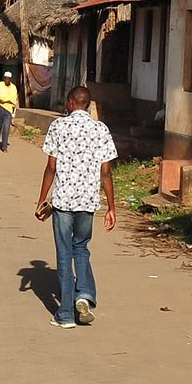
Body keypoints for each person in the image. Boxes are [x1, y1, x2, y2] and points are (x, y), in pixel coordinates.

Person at [36, 85, 117, 327]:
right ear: (88, 105)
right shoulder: (100, 129)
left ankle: (66, 314)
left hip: (63, 202)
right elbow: (106, 172)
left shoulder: (58, 126)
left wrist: (42, 199)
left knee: (64, 254)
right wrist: (111, 207)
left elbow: (51, 167)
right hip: (87, 202)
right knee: (81, 248)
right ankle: (84, 295)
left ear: (71, 103)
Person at [0, 70, 19, 151]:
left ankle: (4, 146)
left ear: (11, 79)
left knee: (6, 128)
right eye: (5, 78)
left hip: (8, 110)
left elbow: (13, 101)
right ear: (4, 78)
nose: (7, 80)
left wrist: (5, 101)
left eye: (8, 78)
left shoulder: (13, 88)